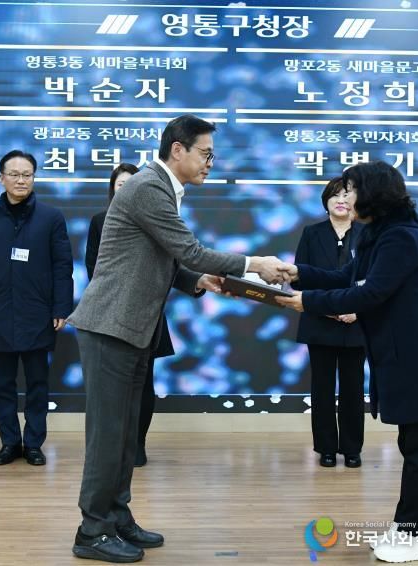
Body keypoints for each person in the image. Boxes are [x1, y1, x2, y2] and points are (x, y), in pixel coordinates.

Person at [67, 114, 286, 563]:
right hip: (110, 326)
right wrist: (255, 264)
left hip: (131, 328)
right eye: (205, 154)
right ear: (178, 150)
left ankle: (117, 517)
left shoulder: (162, 188)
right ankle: (92, 530)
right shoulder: (149, 186)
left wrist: (195, 280)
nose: (210, 163)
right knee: (108, 436)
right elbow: (189, 250)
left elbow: (164, 258)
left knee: (125, 435)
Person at [276, 161, 418, 563]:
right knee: (413, 445)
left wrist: (307, 301)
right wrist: (296, 272)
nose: (347, 197)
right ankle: (409, 526)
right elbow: (348, 277)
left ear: (373, 194)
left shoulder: (400, 238)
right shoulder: (379, 234)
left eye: (352, 189)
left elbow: (369, 293)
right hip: (403, 357)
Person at [0, 149, 73, 466]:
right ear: (2, 178)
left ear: (34, 178)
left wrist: (61, 307)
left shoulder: (51, 218)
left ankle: (34, 444)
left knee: (38, 385)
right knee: (3, 386)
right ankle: (10, 443)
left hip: (38, 313)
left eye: (27, 174)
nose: (21, 180)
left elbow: (62, 267)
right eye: (14, 174)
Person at [86, 162, 174, 468]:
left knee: (144, 383)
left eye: (131, 184)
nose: (126, 190)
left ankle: (138, 443)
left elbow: (170, 264)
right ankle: (116, 446)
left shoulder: (157, 219)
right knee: (114, 388)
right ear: (112, 189)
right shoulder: (100, 221)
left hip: (147, 313)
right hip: (111, 314)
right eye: (120, 185)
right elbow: (93, 267)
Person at [294, 177, 365, 468]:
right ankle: (325, 448)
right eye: (335, 195)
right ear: (326, 202)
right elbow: (299, 278)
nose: (341, 200)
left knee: (353, 388)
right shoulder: (311, 233)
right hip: (320, 321)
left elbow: (378, 280)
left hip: (357, 322)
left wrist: (358, 310)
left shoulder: (368, 234)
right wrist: (325, 307)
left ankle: (352, 448)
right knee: (322, 388)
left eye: (347, 195)